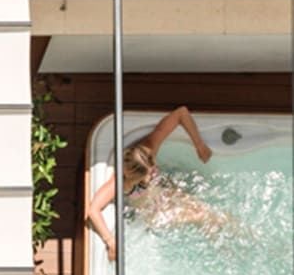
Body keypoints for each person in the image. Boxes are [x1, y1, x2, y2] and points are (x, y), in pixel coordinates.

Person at [85, 106, 217, 262]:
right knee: (204, 216)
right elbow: (93, 210)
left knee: (212, 215)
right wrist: (111, 241)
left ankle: (233, 242)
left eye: (151, 170)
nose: (149, 178)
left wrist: (199, 144)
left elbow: (181, 113)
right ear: (129, 175)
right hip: (154, 215)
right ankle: (224, 249)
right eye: (143, 179)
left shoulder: (147, 149)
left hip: (165, 195)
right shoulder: (119, 182)